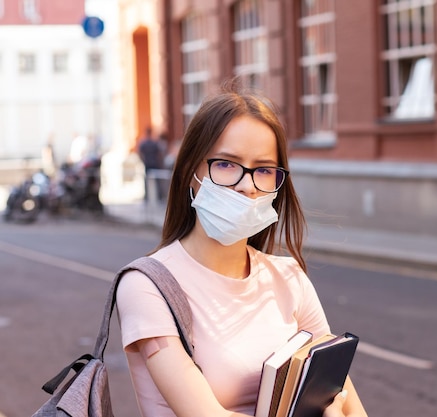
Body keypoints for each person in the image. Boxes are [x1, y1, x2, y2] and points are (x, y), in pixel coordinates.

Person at [115, 81, 369, 417]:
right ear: (193, 172)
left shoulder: (289, 277)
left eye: (263, 170)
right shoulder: (147, 286)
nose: (247, 185)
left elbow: (346, 399)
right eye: (226, 164)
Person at [138, 126, 165, 201]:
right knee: (156, 181)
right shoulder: (154, 143)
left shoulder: (145, 143)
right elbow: (159, 154)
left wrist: (143, 161)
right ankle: (158, 196)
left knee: (148, 180)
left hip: (148, 164)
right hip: (153, 163)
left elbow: (140, 153)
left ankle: (148, 197)